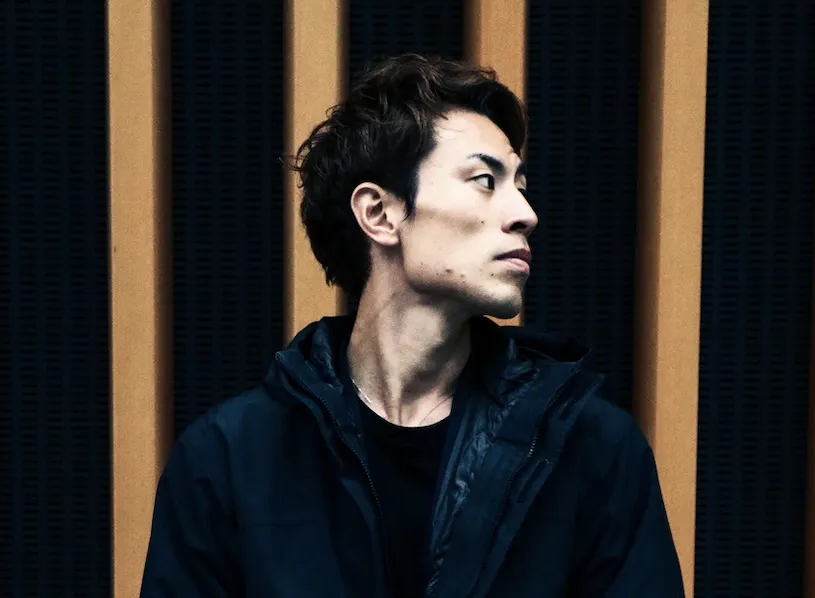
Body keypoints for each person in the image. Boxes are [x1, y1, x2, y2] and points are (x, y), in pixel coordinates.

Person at [139, 53, 685, 597]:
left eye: (519, 184)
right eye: (485, 180)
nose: (525, 213)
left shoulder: (593, 449)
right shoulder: (228, 460)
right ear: (380, 214)